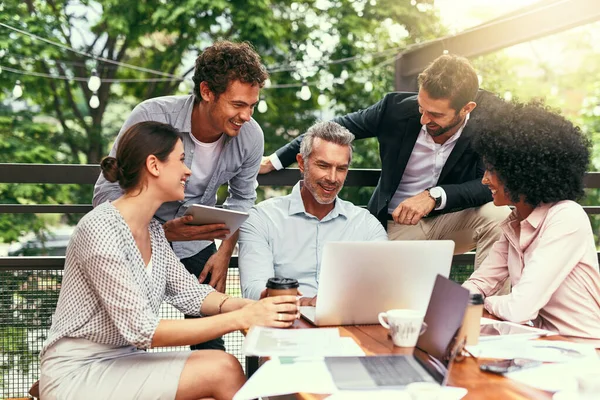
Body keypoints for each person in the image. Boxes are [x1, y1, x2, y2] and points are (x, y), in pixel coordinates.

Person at [39, 121, 299, 400]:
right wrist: (242, 318)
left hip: (122, 360)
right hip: (77, 372)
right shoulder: (100, 229)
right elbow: (143, 330)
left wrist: (254, 306)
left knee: (223, 367)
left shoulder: (152, 230)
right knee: (221, 369)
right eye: (181, 160)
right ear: (154, 165)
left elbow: (192, 295)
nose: (188, 170)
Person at [93, 40, 267, 350]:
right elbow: (106, 192)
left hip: (196, 242)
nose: (246, 115)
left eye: (252, 105)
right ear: (206, 91)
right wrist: (159, 232)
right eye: (238, 104)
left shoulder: (251, 136)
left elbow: (242, 199)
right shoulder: (153, 116)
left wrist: (224, 252)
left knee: (211, 343)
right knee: (119, 339)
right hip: (136, 238)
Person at [260, 55, 510, 270]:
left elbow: (487, 185)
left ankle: (487, 314)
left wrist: (434, 195)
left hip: (451, 222)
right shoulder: (395, 109)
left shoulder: (487, 122)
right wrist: (275, 160)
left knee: (500, 217)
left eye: (435, 114)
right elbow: (328, 130)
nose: (424, 119)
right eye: (422, 108)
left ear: (466, 108)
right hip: (395, 226)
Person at [462, 101, 600, 339]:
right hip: (540, 346)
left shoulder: (566, 217)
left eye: (492, 170)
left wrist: (484, 302)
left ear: (521, 172)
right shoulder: (514, 223)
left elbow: (519, 309)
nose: (485, 180)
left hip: (584, 351)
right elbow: (480, 283)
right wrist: (462, 298)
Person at [239, 121, 387, 304]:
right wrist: (305, 303)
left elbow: (384, 286)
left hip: (346, 326)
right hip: (284, 324)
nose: (332, 178)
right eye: (323, 166)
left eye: (341, 168)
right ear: (302, 163)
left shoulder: (367, 225)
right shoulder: (262, 219)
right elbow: (254, 289)